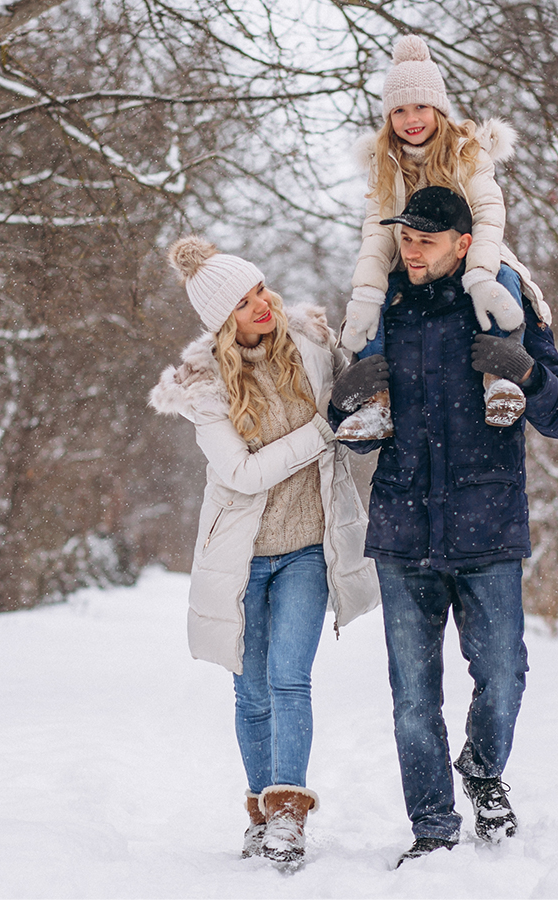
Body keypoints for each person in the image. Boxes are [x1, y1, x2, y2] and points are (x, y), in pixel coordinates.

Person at [328, 186, 558, 866]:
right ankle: (433, 829)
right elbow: (350, 431)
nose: (411, 249)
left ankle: (483, 768)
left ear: (463, 244)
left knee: (504, 674)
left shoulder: (501, 307)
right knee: (413, 698)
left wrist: (524, 372)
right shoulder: (387, 312)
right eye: (405, 237)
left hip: (487, 528)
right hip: (403, 531)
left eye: (427, 238)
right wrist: (344, 404)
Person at [149, 236, 380, 866]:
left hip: (307, 548)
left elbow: (359, 389)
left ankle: (287, 817)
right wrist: (320, 430)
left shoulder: (309, 345)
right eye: (243, 301)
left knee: (288, 679)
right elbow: (244, 475)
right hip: (242, 558)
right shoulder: (203, 388)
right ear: (222, 321)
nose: (261, 304)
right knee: (249, 692)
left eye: (259, 289)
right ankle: (258, 810)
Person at [338, 34, 553, 436]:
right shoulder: (384, 164)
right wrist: (367, 291)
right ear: (388, 118)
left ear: (439, 108)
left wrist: (480, 275)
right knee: (374, 304)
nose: (410, 118)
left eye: (421, 106)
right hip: (412, 261)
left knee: (503, 280)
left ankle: (500, 380)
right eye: (399, 110)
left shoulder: (467, 153)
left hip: (473, 253)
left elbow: (489, 214)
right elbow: (377, 231)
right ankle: (375, 404)